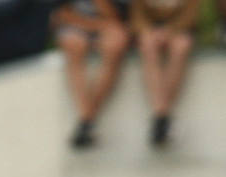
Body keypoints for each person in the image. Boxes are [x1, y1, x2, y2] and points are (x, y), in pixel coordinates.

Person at [52, 0, 130, 149]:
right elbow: (61, 15)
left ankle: (86, 120)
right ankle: (87, 120)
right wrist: (94, 25)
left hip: (108, 29)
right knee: (73, 44)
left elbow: (117, 20)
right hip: (81, 26)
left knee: (115, 45)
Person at [130, 0, 198, 147]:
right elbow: (137, 15)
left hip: (179, 30)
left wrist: (170, 30)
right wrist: (148, 31)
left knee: (181, 46)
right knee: (147, 45)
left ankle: (160, 116)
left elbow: (190, 14)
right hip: (150, 31)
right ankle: (162, 116)